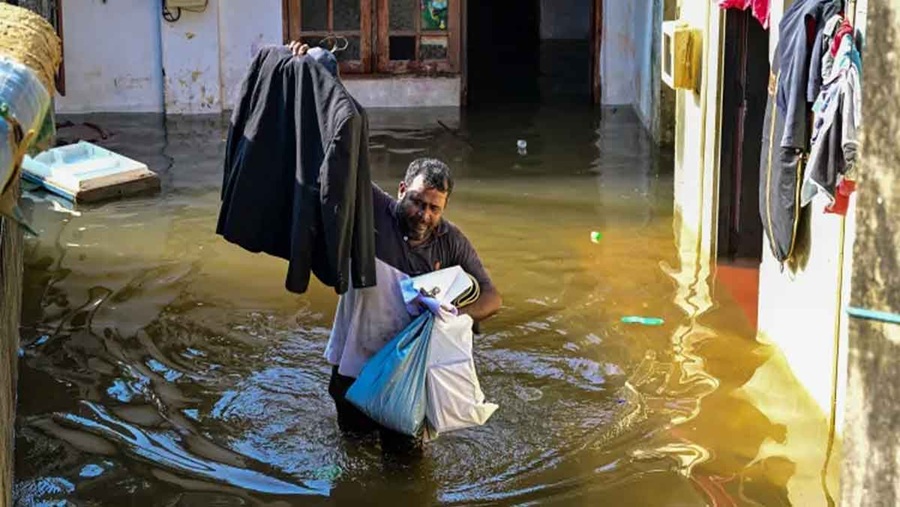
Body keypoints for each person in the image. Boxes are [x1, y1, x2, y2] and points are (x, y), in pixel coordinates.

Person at [288, 42, 502, 456]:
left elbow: (493, 298)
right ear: (401, 190)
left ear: (445, 208)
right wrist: (311, 74)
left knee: (405, 470)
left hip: (406, 376)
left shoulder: (451, 240)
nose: (423, 214)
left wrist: (452, 316)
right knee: (350, 457)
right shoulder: (372, 210)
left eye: (434, 208)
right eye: (417, 202)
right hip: (354, 366)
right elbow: (337, 152)